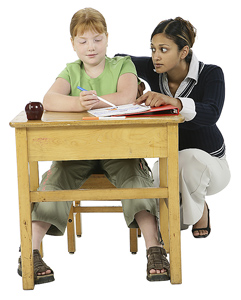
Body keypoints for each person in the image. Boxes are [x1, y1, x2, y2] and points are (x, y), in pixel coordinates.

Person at [17, 8, 170, 284]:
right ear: (73, 44)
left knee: (136, 180)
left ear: (107, 39)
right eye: (83, 41)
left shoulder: (122, 65)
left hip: (120, 149)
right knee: (54, 181)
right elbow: (49, 99)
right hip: (78, 150)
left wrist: (93, 101)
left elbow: (126, 95)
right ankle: (31, 250)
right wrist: (76, 103)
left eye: (97, 40)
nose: (91, 47)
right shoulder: (71, 71)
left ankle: (154, 247)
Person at [118, 17, 231, 238]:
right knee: (160, 174)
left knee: (191, 162)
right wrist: (132, 83)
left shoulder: (211, 74)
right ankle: (196, 209)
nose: (155, 56)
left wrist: (176, 103)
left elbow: (211, 113)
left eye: (163, 49)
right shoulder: (154, 70)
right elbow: (119, 60)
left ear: (183, 51)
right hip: (173, 158)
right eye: (153, 49)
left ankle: (177, 223)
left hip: (211, 164)